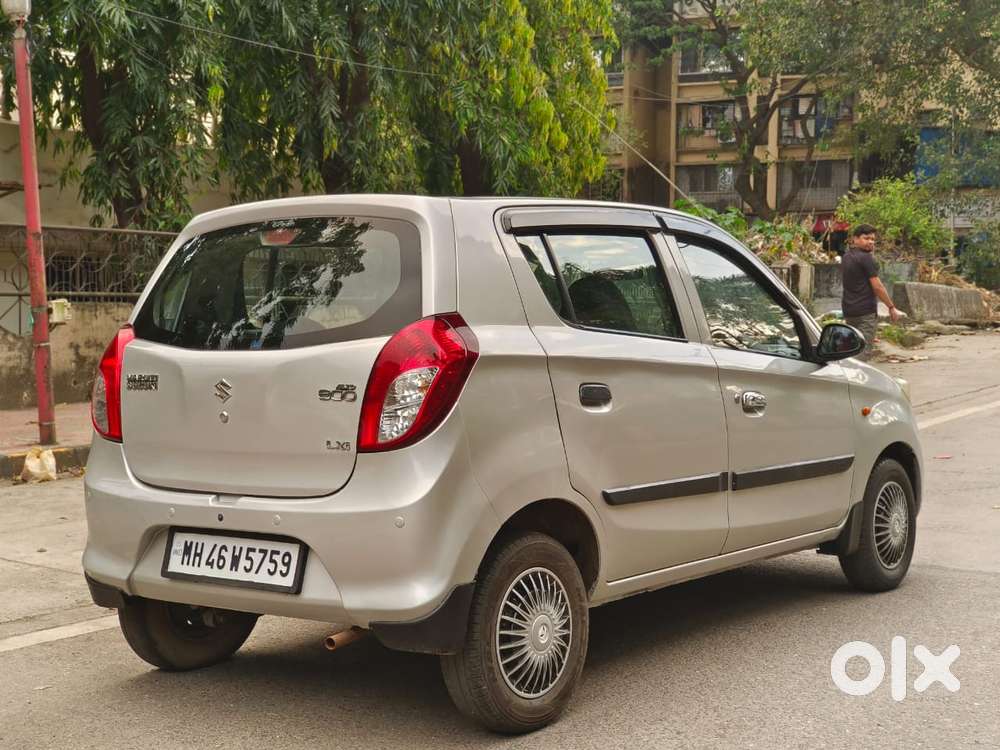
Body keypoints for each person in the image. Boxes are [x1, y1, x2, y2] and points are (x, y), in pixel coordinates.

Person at [841, 224, 900, 360]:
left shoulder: (847, 256)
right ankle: (857, 379)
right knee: (863, 352)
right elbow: (877, 287)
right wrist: (891, 307)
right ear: (855, 239)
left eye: (873, 239)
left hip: (849, 311)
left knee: (852, 350)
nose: (870, 242)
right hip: (865, 313)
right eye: (866, 238)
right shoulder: (866, 258)